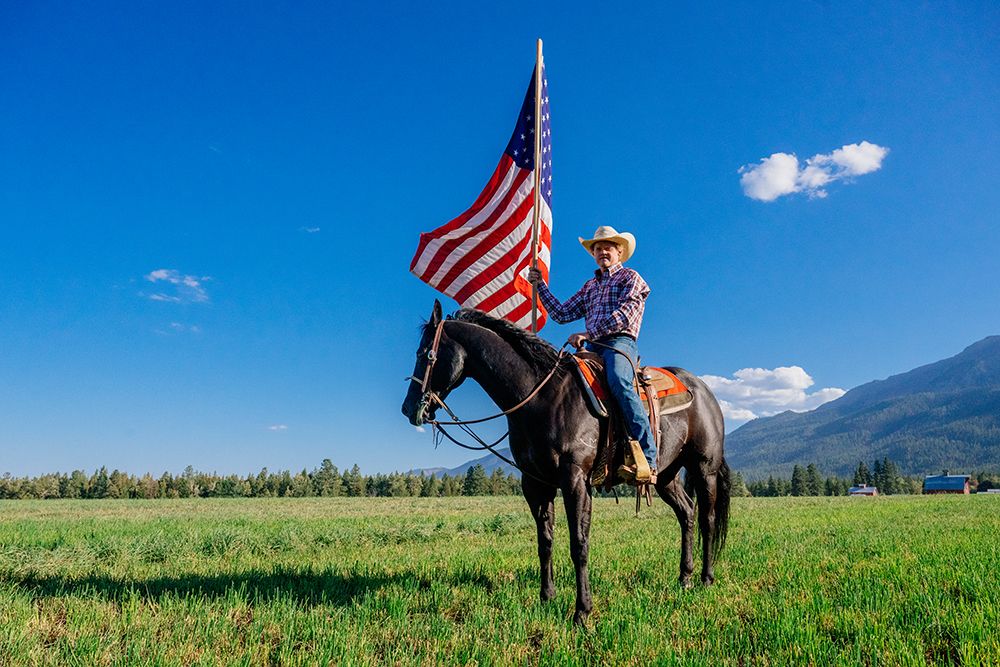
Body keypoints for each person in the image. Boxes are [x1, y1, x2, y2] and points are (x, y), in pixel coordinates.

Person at [527, 225, 656, 484]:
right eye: (597, 248)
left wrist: (588, 333)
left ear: (619, 251)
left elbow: (625, 316)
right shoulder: (590, 287)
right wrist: (540, 286)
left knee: (619, 381)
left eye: (608, 247)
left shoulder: (631, 278)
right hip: (594, 346)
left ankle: (648, 457)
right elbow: (562, 314)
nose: (602, 251)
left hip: (620, 343)